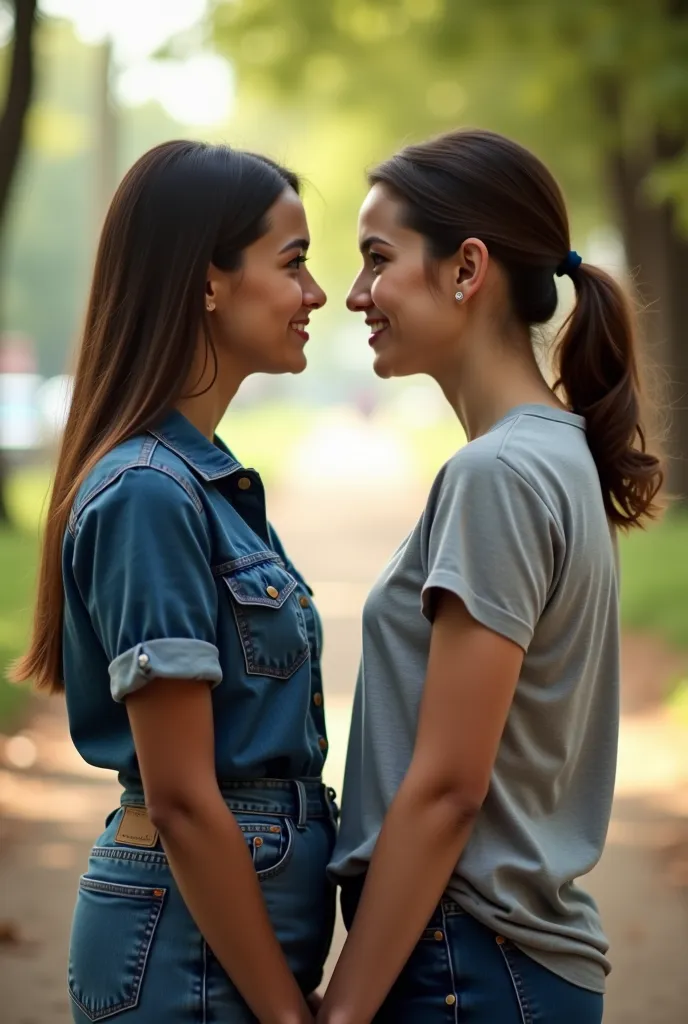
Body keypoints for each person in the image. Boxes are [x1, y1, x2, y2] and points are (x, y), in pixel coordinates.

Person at [321, 129, 663, 1024]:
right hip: (498, 967)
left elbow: (448, 787)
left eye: (376, 259)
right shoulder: (552, 454)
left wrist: (345, 1007)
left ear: (466, 269)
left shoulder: (498, 475)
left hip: (466, 966)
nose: (355, 295)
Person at [13, 140, 336, 1024]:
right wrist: (284, 1012)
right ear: (208, 281)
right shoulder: (152, 494)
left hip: (210, 950)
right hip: (183, 960)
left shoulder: (198, 482)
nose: (315, 295)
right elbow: (185, 798)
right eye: (295, 262)